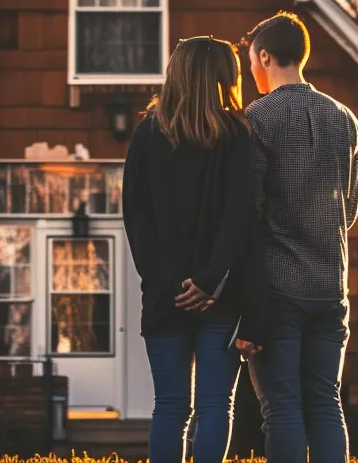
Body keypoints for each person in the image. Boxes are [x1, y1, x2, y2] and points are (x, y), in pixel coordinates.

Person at [123, 36, 262, 463]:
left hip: (165, 297)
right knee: (215, 406)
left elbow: (136, 217)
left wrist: (168, 281)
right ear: (225, 76)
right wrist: (209, 280)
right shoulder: (237, 134)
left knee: (170, 406)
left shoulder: (147, 133)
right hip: (222, 296)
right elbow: (241, 216)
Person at [236, 12, 358, 463]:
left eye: (251, 60)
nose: (252, 71)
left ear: (265, 56)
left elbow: (248, 211)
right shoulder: (344, 119)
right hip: (332, 287)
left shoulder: (257, 119)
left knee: (283, 407)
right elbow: (348, 209)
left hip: (277, 290)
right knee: (326, 405)